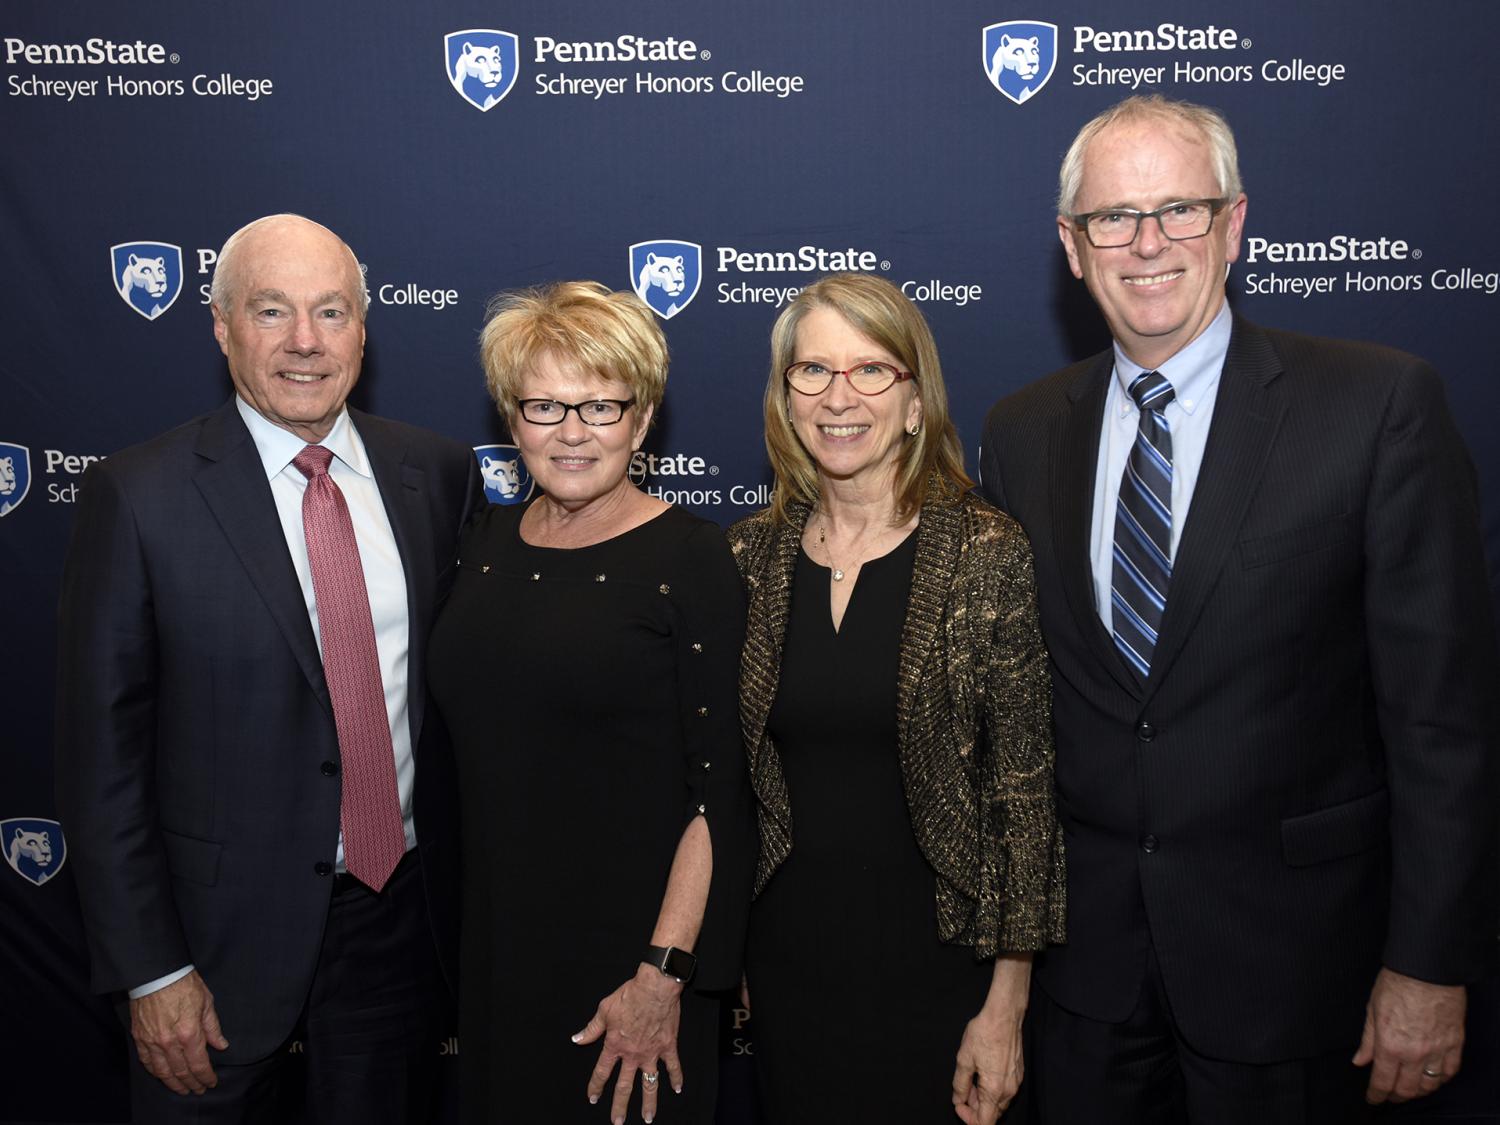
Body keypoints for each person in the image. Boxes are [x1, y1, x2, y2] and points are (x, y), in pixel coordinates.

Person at [979, 94, 1500, 1124]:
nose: (1147, 243)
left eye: (1180, 209)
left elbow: (1444, 723)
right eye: (1112, 219)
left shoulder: (1376, 406)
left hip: (1300, 978)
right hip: (1087, 987)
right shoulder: (1023, 430)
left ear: (1235, 224)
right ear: (1071, 248)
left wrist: (1430, 967)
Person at [54, 214, 484, 1123]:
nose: (304, 341)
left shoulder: (438, 476)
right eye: (272, 311)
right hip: (212, 947)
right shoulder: (138, 494)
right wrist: (153, 969)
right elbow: (102, 760)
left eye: (331, 312)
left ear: (365, 331)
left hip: (394, 920)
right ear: (220, 326)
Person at [727, 273, 1065, 1125]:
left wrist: (1007, 1001)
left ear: (916, 401)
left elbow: (1024, 797)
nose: (840, 397)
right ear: (786, 397)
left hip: (943, 969)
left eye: (872, 370)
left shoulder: (986, 550)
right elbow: (727, 782)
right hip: (789, 967)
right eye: (813, 372)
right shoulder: (746, 559)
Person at [426, 281, 754, 1125]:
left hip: (631, 972)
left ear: (642, 422)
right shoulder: (480, 548)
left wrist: (662, 972)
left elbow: (719, 792)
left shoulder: (693, 559)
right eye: (545, 405)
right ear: (511, 418)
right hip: (498, 956)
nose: (573, 432)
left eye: (601, 406)